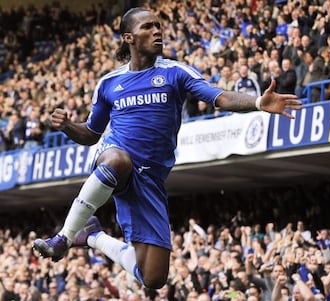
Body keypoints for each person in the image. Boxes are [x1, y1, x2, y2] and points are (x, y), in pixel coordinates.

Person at [32, 7, 302, 290]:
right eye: (148, 27)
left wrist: (258, 103)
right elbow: (91, 134)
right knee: (117, 160)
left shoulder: (175, 72)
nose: (157, 31)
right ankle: (63, 237)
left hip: (151, 180)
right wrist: (67, 127)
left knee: (153, 278)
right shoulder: (109, 83)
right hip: (116, 162)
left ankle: (93, 236)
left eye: (158, 26)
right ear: (129, 38)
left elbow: (219, 98)